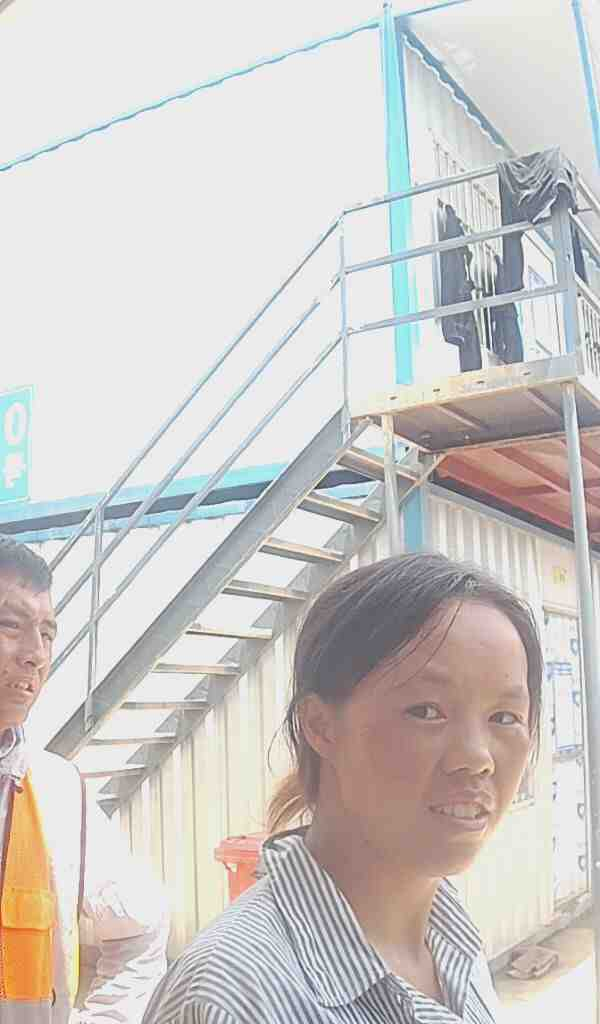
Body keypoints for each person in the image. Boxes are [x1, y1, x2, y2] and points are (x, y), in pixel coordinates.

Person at [143, 552, 543, 1024]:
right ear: (320, 726)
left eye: (505, 717)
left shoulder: (450, 939)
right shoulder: (232, 998)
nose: (477, 758)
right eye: (426, 711)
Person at [0, 535, 169, 1022]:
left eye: (47, 633)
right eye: (10, 625)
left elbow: (141, 930)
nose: (35, 653)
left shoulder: (56, 792)